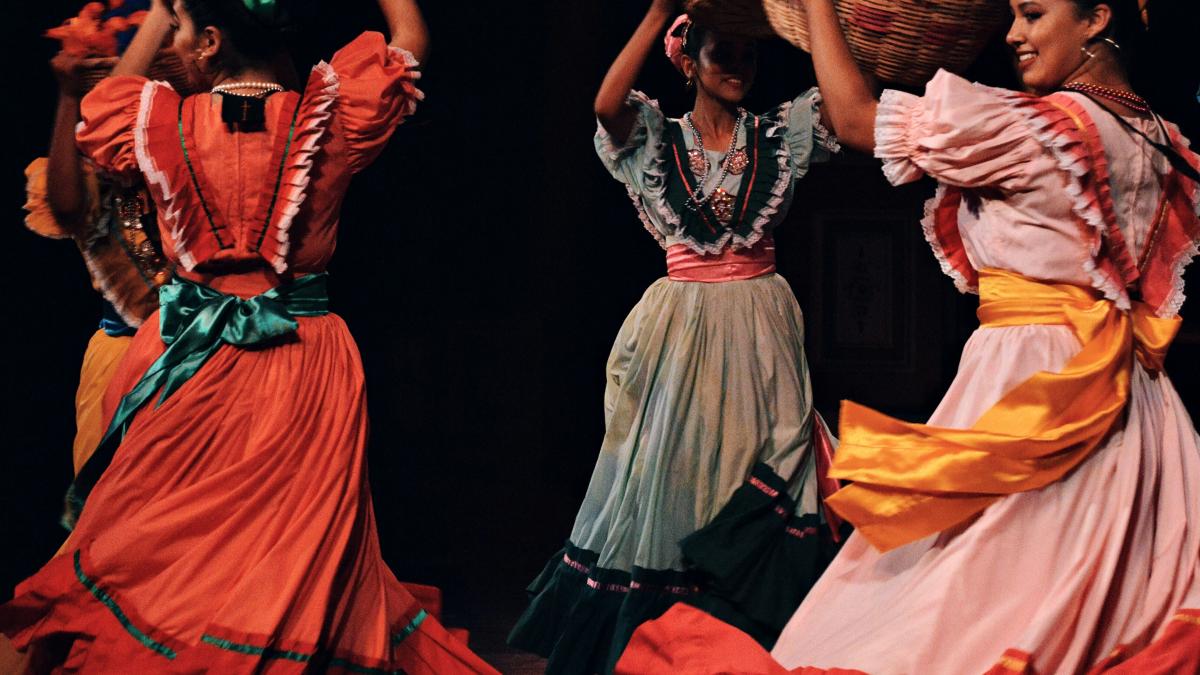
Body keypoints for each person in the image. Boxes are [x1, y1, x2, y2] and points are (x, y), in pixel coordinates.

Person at [615, 0, 1200, 672]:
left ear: (1097, 18)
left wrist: (817, 9)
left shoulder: (1041, 128)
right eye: (1011, 14)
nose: (1012, 34)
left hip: (1039, 382)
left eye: (1033, 14)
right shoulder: (1157, 134)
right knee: (1091, 592)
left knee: (975, 594)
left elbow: (858, 119)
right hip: (1138, 405)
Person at [0, 0, 497, 672]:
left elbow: (110, 95)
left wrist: (160, 15)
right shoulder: (328, 116)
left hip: (190, 359)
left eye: (181, 28)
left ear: (209, 41)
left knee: (161, 547)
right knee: (286, 550)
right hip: (302, 357)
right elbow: (409, 35)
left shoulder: (157, 120)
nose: (173, 40)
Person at [508, 2, 842, 672]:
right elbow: (606, 105)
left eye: (748, 56)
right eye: (723, 53)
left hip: (759, 324)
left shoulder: (776, 135)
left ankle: (747, 630)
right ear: (688, 60)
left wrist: (816, 15)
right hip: (682, 327)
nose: (739, 68)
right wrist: (661, 8)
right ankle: (668, 640)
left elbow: (845, 106)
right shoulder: (660, 140)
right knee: (675, 464)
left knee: (763, 454)